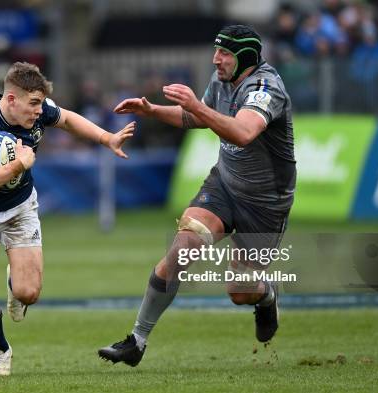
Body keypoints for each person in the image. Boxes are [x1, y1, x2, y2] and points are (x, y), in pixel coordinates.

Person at [98, 25, 296, 367]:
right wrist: (153, 110)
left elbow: (245, 131)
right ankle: (137, 340)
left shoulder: (266, 88)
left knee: (240, 291)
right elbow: (196, 115)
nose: (215, 59)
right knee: (183, 248)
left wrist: (195, 105)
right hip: (224, 185)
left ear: (245, 57)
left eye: (224, 54)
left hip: (266, 202)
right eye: (216, 51)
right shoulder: (222, 80)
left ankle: (266, 297)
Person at [0, 62, 135, 376]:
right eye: (34, 104)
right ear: (12, 99)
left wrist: (106, 138)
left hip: (19, 209)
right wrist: (16, 167)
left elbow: (66, 118)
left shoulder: (39, 109)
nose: (40, 111)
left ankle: (16, 281)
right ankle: (0, 349)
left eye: (41, 104)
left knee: (29, 293)